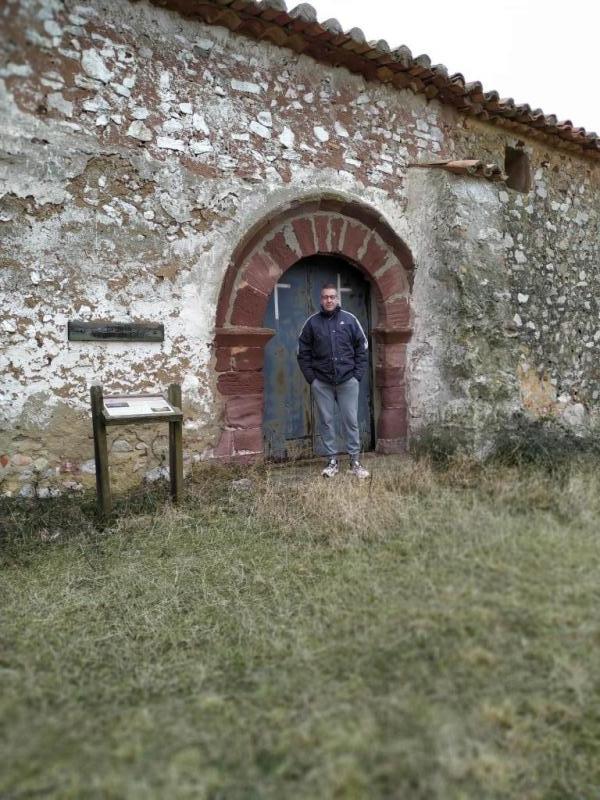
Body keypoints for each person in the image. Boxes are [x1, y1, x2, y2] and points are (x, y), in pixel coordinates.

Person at [297, 283, 370, 479]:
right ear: (320, 300)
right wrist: (312, 379)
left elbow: (362, 348)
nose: (328, 300)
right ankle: (332, 461)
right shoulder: (312, 323)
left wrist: (357, 376)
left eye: (332, 297)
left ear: (337, 299)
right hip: (322, 382)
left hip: (348, 381)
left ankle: (355, 462)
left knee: (351, 421)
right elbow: (302, 352)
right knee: (327, 421)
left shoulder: (350, 320)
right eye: (325, 297)